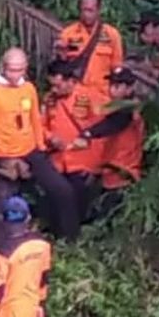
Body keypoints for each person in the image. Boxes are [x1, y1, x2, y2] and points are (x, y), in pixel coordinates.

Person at [0, 48, 80, 242]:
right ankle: (1, 245)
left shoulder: (28, 88)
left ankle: (69, 239)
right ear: (3, 67)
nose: (15, 75)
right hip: (3, 152)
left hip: (31, 149)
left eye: (20, 70)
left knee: (61, 189)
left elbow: (35, 121)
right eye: (12, 70)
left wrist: (41, 149)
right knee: (4, 200)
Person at [42, 58, 106, 213]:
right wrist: (50, 137)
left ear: (70, 81)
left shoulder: (90, 97)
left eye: (58, 85)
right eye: (52, 85)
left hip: (83, 164)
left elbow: (102, 130)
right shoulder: (49, 99)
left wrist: (96, 166)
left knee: (80, 207)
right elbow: (40, 125)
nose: (54, 90)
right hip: (58, 162)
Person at [55, 0, 125, 99]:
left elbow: (117, 67)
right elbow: (58, 68)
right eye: (84, 10)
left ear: (98, 9)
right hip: (74, 95)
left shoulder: (112, 35)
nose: (87, 14)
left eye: (90, 10)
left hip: (101, 96)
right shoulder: (68, 34)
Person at [97, 67, 146, 191]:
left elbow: (112, 125)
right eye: (111, 84)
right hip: (108, 175)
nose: (112, 89)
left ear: (129, 88)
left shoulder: (130, 110)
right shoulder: (112, 107)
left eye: (118, 85)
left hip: (124, 174)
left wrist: (88, 133)